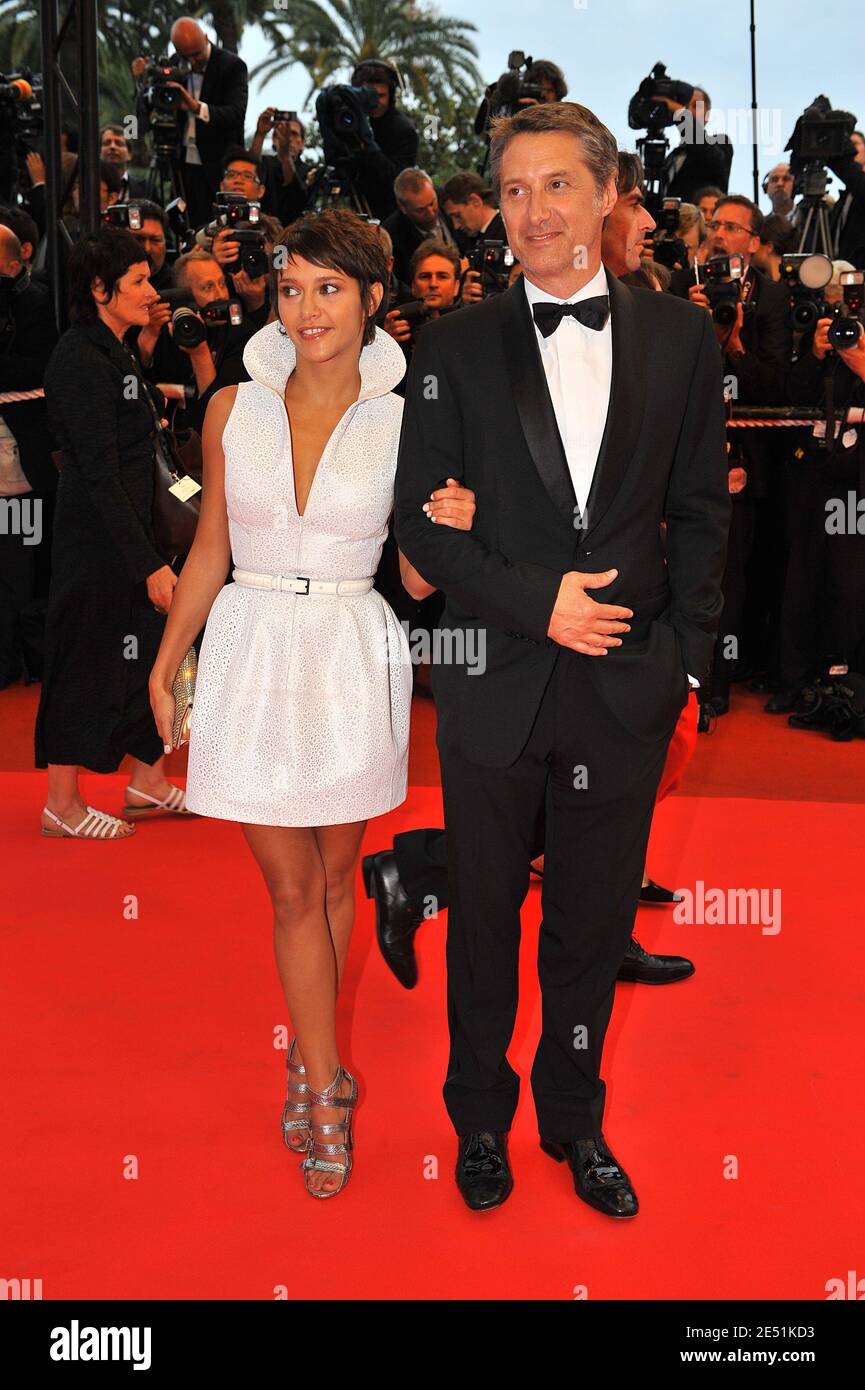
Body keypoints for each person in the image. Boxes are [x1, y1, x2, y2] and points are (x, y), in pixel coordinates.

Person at [395, 100, 730, 1217]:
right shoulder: (446, 346)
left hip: (624, 687)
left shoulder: (682, 338)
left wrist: (680, 660)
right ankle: (477, 1120)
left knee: (589, 928)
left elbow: (698, 514)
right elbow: (425, 530)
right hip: (496, 676)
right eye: (514, 190)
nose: (532, 212)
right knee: (484, 923)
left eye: (555, 185)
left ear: (605, 194)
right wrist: (540, 601)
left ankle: (573, 1119)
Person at [147, 208, 475, 1199]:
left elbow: (415, 579)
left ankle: (311, 1055)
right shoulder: (229, 408)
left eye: (329, 289)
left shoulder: (407, 418)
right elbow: (210, 545)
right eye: (290, 288)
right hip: (248, 648)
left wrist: (460, 515)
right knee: (287, 888)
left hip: (344, 650)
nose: (305, 309)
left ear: (373, 299)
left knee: (337, 881)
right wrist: (168, 661)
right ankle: (327, 1079)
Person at [34, 229, 192, 838]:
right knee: (85, 664)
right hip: (98, 548)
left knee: (151, 656)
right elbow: (98, 477)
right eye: (137, 282)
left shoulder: (116, 349)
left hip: (135, 537)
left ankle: (147, 781)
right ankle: (61, 804)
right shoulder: (77, 358)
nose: (151, 291)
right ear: (100, 290)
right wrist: (147, 564)